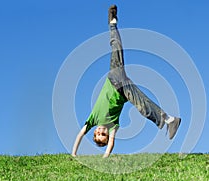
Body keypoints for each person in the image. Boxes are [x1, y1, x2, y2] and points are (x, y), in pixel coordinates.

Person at [72, 5, 181, 158]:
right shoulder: (112, 127)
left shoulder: (92, 120)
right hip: (124, 91)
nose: (101, 132)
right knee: (142, 106)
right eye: (103, 135)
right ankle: (170, 120)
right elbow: (111, 143)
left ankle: (112, 23)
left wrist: (74, 153)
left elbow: (80, 134)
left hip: (114, 78)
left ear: (95, 131)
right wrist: (105, 156)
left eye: (98, 134)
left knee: (116, 48)